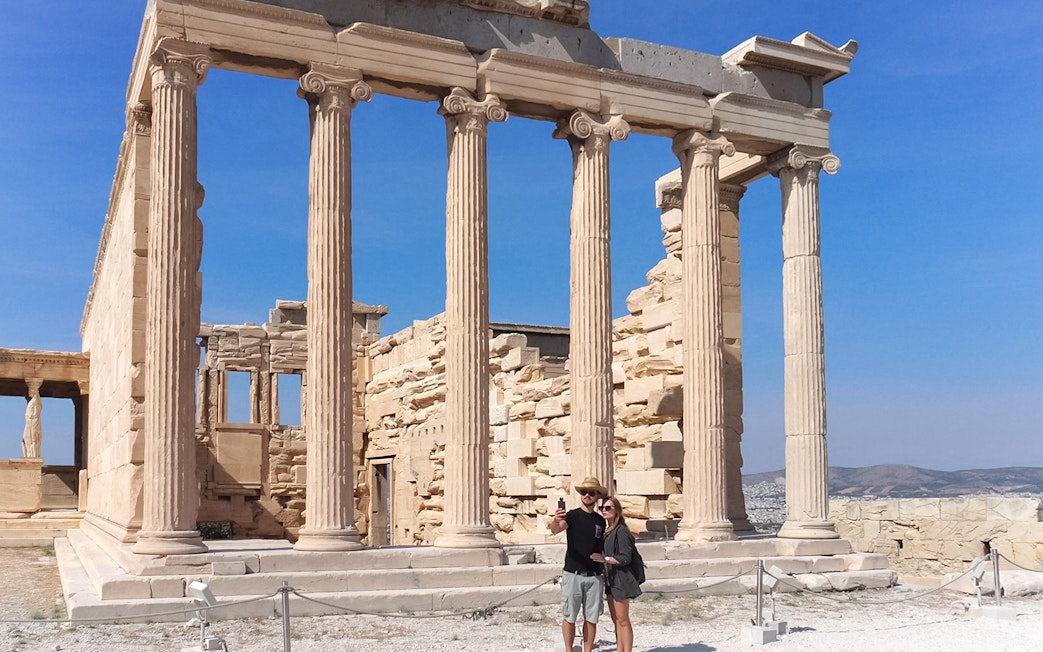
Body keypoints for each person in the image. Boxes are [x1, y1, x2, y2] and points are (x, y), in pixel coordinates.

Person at [550, 476, 607, 652]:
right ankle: (569, 650)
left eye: (591, 493)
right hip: (573, 573)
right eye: (584, 492)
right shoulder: (572, 515)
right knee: (570, 616)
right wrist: (555, 520)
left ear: (597, 496)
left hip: (594, 575)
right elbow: (555, 529)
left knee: (591, 618)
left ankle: (587, 650)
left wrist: (603, 567)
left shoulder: (600, 520)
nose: (587, 495)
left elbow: (601, 545)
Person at [592, 495, 641, 652]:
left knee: (623, 619)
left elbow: (625, 558)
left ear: (617, 511)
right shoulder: (608, 531)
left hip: (621, 579)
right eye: (602, 508)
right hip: (611, 579)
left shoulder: (621, 531)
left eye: (608, 508)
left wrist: (604, 559)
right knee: (616, 619)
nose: (604, 511)